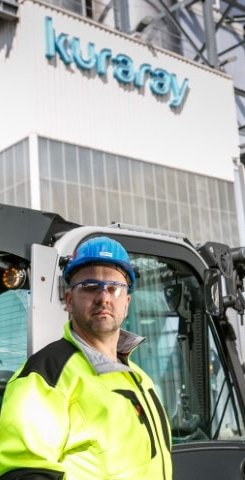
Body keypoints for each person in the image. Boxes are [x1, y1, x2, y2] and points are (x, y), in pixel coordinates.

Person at [0, 236, 172, 480]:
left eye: (114, 288)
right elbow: (24, 472)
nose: (104, 298)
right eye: (90, 287)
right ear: (69, 300)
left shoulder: (141, 379)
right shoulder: (45, 377)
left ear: (127, 302)